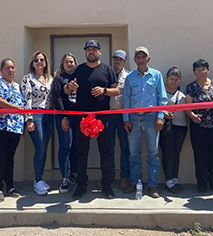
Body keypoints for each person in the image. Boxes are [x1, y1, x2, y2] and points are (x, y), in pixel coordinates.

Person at [65, 40, 119, 200]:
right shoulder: (79, 70)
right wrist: (70, 87)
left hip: (103, 117)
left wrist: (104, 90)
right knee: (82, 152)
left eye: (94, 49)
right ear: (85, 52)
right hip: (83, 118)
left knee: (106, 152)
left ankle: (107, 185)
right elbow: (67, 89)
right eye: (88, 50)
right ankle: (81, 186)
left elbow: (116, 91)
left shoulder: (107, 69)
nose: (91, 52)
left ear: (100, 52)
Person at [122, 46, 168, 198]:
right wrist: (126, 119)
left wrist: (160, 116)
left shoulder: (156, 75)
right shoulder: (130, 77)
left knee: (153, 153)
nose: (141, 60)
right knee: (133, 153)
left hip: (151, 118)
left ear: (148, 59)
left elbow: (162, 98)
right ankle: (135, 182)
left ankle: (153, 186)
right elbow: (126, 99)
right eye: (138, 57)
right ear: (135, 60)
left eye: (143, 57)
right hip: (134, 118)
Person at [0, 58, 25, 202]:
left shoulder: (18, 86)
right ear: (1, 70)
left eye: (13, 67)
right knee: (1, 158)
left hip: (15, 127)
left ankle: (10, 186)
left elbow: (23, 104)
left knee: (10, 158)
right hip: (0, 126)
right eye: (7, 68)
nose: (10, 70)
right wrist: (15, 108)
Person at [185, 59, 213, 194]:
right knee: (200, 156)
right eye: (198, 70)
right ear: (194, 72)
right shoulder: (191, 87)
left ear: (208, 69)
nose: (201, 72)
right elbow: (187, 107)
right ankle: (202, 184)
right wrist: (193, 116)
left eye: (203, 69)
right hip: (198, 127)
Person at [21, 51, 54, 196]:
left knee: (44, 148)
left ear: (45, 62)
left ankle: (40, 179)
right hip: (35, 115)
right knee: (40, 147)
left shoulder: (50, 79)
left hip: (48, 115)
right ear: (32, 63)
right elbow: (26, 98)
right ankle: (37, 181)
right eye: (36, 60)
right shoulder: (28, 78)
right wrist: (29, 118)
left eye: (42, 59)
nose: (39, 62)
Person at [52, 53, 79, 194]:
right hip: (64, 116)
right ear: (62, 64)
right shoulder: (59, 78)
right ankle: (64, 177)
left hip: (78, 117)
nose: (69, 64)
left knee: (76, 146)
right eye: (66, 62)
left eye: (71, 62)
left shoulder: (78, 77)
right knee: (65, 146)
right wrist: (63, 117)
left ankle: (74, 174)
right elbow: (56, 97)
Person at [159, 66, 188, 193]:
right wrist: (165, 113)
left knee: (176, 153)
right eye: (171, 79)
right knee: (168, 153)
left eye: (176, 79)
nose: (173, 82)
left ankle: (175, 178)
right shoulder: (161, 92)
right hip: (167, 127)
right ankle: (168, 180)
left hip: (181, 126)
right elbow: (156, 106)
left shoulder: (183, 92)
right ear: (166, 79)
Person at [108, 49, 130, 189]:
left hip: (123, 115)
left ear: (124, 61)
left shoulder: (129, 76)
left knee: (125, 147)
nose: (117, 61)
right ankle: (108, 177)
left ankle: (125, 177)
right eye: (116, 59)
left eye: (120, 59)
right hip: (108, 115)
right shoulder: (107, 74)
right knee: (108, 147)